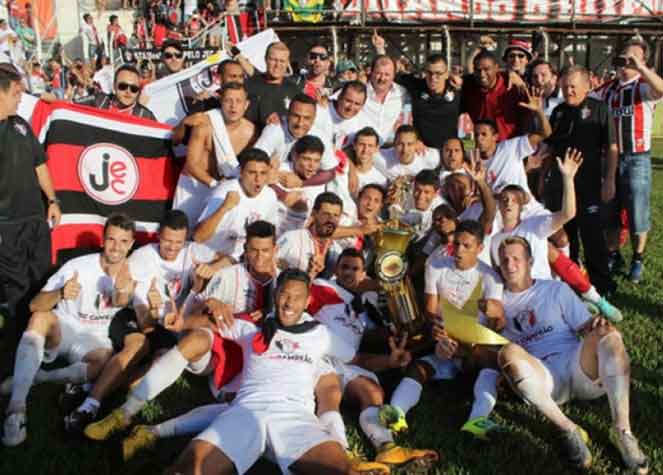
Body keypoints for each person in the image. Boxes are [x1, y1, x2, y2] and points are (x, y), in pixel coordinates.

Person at [83, 221, 280, 447]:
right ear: (245, 248)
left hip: (258, 361)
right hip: (218, 354)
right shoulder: (228, 275)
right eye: (253, 250)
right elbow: (196, 315)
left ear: (275, 249)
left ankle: (146, 428)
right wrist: (208, 303)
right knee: (194, 338)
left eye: (265, 250)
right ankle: (124, 413)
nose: (259, 257)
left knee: (245, 410)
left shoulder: (286, 284)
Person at [164, 269, 360, 475]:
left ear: (307, 300)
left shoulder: (320, 334)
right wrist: (182, 323)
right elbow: (211, 323)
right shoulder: (252, 327)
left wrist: (390, 360)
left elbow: (356, 358)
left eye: (297, 297)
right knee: (187, 470)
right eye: (284, 295)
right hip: (247, 411)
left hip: (295, 416)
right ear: (275, 295)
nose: (289, 303)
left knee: (342, 470)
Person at [495, 237, 648, 473]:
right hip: (543, 378)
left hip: (578, 366)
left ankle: (623, 431)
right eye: (504, 260)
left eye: (516, 258)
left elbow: (585, 326)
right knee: (508, 353)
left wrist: (597, 326)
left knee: (609, 335)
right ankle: (568, 428)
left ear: (530, 261)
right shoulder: (496, 304)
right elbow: (481, 348)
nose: (510, 264)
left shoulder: (554, 289)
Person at [63, 210, 219, 434]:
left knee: (158, 368)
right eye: (167, 241)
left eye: (179, 242)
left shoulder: (193, 251)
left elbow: (230, 258)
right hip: (137, 318)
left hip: (169, 326)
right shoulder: (143, 259)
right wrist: (154, 310)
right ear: (158, 236)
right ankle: (89, 406)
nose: (173, 248)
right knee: (139, 346)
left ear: (186, 239)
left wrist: (213, 267)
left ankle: (90, 389)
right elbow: (145, 322)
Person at [2, 213, 136, 447]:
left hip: (94, 339)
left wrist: (125, 291)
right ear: (103, 240)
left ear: (131, 244)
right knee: (40, 318)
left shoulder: (135, 272)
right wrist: (60, 293)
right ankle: (16, 410)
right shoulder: (78, 266)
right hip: (64, 328)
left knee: (105, 361)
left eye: (124, 241)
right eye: (112, 239)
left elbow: (125, 301)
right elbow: (35, 305)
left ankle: (39, 377)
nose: (116, 247)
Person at [308, 249, 439, 473]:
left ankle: (387, 447)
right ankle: (343, 455)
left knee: (373, 393)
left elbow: (360, 339)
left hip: (349, 361)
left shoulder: (359, 309)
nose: (349, 273)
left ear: (363, 273)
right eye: (344, 267)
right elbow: (302, 295)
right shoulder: (323, 288)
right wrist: (310, 275)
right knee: (330, 394)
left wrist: (395, 341)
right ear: (336, 270)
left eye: (355, 268)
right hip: (319, 358)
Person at [379, 220, 504, 438]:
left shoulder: (491, 278)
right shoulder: (435, 266)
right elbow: (430, 311)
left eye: (467, 246)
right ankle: (397, 413)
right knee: (418, 367)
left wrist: (466, 346)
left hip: (474, 346)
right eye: (456, 244)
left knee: (490, 362)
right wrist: (438, 334)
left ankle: (477, 420)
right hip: (444, 340)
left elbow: (494, 324)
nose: (458, 251)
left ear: (480, 249)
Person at [491, 149, 622, 322]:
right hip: (517, 299)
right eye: (504, 199)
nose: (508, 203)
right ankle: (578, 304)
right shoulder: (494, 241)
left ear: (522, 207)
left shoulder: (534, 226)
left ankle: (593, 301)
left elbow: (568, 213)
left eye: (514, 200)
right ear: (498, 205)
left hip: (545, 290)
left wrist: (568, 179)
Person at [592, 39, 663, 282]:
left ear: (643, 61)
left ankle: (638, 257)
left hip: (637, 158)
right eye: (623, 57)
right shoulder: (608, 89)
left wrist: (641, 68)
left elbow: (661, 89)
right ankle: (613, 254)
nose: (626, 63)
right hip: (608, 158)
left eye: (633, 58)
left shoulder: (643, 87)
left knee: (638, 212)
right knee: (609, 209)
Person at [546, 66, 618, 295]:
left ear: (587, 86)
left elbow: (612, 147)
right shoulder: (558, 112)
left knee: (592, 234)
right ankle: (573, 281)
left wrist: (609, 180)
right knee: (567, 234)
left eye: (573, 86)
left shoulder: (600, 110)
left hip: (588, 184)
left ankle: (603, 284)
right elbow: (550, 146)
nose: (568, 91)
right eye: (565, 86)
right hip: (561, 185)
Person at [0, 63, 60, 325]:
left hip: (35, 220)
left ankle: (43, 333)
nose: (20, 97)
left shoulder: (21, 125)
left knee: (43, 278)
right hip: (6, 226)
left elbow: (40, 164)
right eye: (15, 92)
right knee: (17, 287)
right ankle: (17, 341)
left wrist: (53, 200)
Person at [173, 82, 258, 224]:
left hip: (225, 190)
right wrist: (215, 185)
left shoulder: (252, 133)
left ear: (246, 104)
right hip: (195, 185)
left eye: (238, 101)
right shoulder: (205, 124)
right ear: (220, 102)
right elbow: (191, 164)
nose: (233, 106)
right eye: (228, 100)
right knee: (182, 232)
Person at [193, 148, 279, 260]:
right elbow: (198, 237)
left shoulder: (270, 195)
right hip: (211, 256)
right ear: (241, 172)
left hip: (242, 259)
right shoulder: (224, 192)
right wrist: (224, 207)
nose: (258, 179)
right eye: (252, 173)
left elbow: (270, 235)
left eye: (263, 173)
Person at [396, 53, 462, 149]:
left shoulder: (456, 90)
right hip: (422, 151)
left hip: (448, 152)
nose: (433, 78)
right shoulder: (417, 86)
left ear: (447, 74)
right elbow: (388, 75)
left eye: (438, 73)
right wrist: (380, 49)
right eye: (429, 73)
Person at [461, 49, 528, 141]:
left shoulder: (513, 87)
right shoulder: (467, 87)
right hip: (478, 148)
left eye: (486, 69)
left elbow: (525, 122)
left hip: (508, 148)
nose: (482, 74)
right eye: (478, 70)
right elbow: (465, 121)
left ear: (496, 68)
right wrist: (468, 147)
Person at [277, 192, 344, 279]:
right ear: (314, 213)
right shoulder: (291, 238)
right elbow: (272, 269)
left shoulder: (338, 250)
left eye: (336, 215)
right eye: (326, 214)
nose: (331, 219)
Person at [243, 41, 302, 127]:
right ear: (265, 59)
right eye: (273, 60)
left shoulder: (295, 90)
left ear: (287, 63)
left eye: (282, 61)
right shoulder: (248, 86)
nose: (277, 65)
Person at [75, 64, 156, 120]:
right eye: (123, 86)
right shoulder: (98, 100)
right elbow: (69, 108)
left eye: (134, 89)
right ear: (114, 86)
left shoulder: (145, 115)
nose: (128, 91)